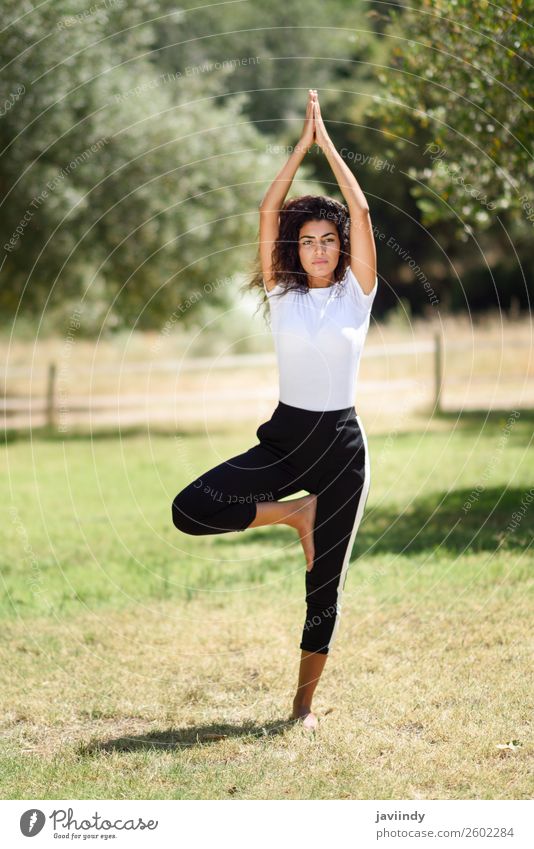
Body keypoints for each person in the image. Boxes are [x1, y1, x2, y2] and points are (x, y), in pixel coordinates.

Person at [172, 89, 378, 732]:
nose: (317, 249)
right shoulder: (282, 294)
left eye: (328, 240)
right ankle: (295, 513)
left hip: (340, 445)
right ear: (296, 247)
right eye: (307, 240)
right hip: (286, 438)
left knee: (325, 589)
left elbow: (362, 207)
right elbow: (268, 209)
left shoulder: (358, 295)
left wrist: (329, 147)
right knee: (190, 508)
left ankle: (302, 707)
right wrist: (299, 147)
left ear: (341, 247)